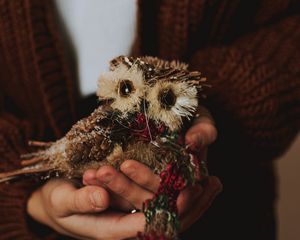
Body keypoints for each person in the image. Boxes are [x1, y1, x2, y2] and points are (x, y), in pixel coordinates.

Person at [0, 0, 299, 239]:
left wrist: (223, 103)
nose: (142, 111)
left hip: (228, 211)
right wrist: (24, 194)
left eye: (165, 100)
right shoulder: (108, 129)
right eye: (128, 91)